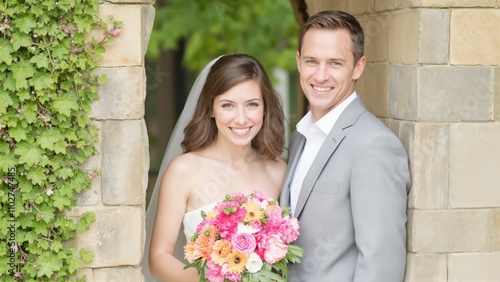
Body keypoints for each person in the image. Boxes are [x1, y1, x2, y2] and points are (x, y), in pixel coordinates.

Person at [279, 10, 411, 281]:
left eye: (335, 63)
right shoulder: (299, 137)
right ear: (298, 63)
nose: (321, 75)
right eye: (312, 61)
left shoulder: (375, 145)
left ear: (358, 67)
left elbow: (380, 264)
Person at [141, 54, 287, 281]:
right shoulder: (184, 170)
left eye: (252, 105)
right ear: (210, 108)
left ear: (265, 108)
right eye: (228, 105)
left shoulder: (279, 172)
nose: (241, 119)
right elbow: (159, 258)